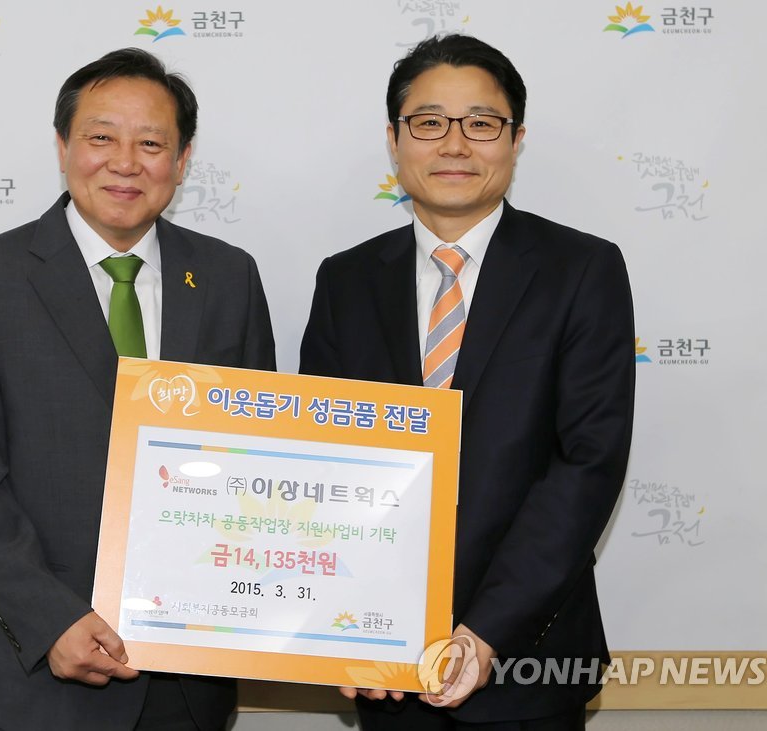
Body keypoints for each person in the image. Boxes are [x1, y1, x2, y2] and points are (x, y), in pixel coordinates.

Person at [0, 48, 275, 731]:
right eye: (101, 137)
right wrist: (50, 617)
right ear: (63, 147)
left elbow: (258, 454)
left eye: (152, 144)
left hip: (190, 675)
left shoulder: (228, 277)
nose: (125, 162)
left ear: (182, 159)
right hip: (51, 672)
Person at [300, 34, 635, 730]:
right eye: (429, 122)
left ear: (516, 140)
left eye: (481, 123)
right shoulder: (346, 279)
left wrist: (485, 633)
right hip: (383, 660)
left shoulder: (582, 270)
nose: (454, 144)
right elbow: (323, 463)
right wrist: (341, 623)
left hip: (526, 661)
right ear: (395, 140)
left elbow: (587, 465)